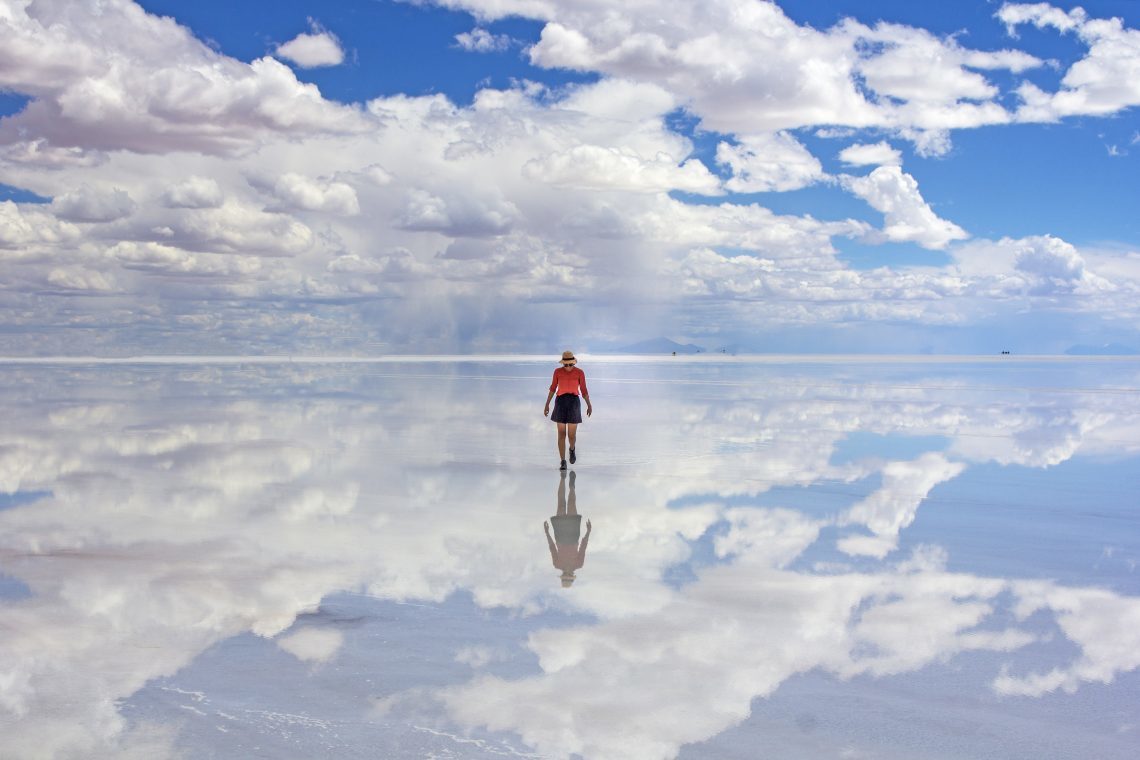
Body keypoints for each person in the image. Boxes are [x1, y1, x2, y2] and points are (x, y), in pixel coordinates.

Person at [543, 350, 592, 470]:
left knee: (571, 435)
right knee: (561, 434)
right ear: (562, 363)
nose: (568, 367)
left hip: (574, 402)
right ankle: (563, 461)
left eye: (570, 364)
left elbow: (584, 390)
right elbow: (553, 388)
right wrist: (547, 404)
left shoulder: (580, 373)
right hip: (560, 402)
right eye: (565, 364)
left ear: (573, 363)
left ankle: (572, 449)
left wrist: (589, 405)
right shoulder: (557, 372)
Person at [545, 470, 591, 588]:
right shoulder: (579, 564)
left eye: (565, 576)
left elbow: (552, 548)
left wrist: (547, 532)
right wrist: (588, 532)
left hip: (560, 535)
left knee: (561, 504)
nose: (566, 573)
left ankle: (563, 477)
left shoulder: (557, 564)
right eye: (568, 576)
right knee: (571, 503)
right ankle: (572, 487)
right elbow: (583, 548)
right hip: (573, 535)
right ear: (571, 576)